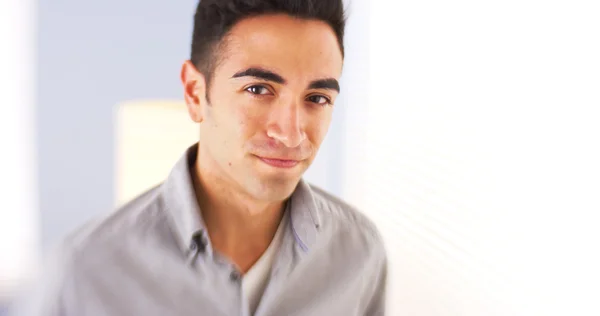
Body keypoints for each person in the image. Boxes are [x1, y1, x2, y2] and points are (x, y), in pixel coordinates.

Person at [16, 0, 387, 315]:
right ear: (195, 93)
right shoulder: (85, 271)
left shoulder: (359, 254)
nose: (290, 133)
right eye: (258, 89)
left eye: (317, 98)